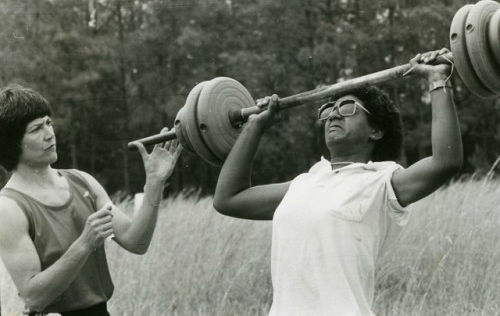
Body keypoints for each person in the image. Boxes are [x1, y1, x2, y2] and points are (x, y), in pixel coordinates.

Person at [213, 49, 463, 316]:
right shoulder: (304, 183)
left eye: (347, 108)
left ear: (375, 131)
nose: (333, 114)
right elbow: (228, 199)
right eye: (329, 109)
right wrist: (255, 127)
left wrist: (437, 80)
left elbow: (445, 162)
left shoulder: (382, 183)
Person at [0, 84, 182, 316]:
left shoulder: (82, 181)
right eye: (36, 129)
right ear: (11, 143)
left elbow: (136, 241)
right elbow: (34, 297)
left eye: (49, 122)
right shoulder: (8, 207)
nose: (49, 133)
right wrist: (84, 244)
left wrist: (155, 184)